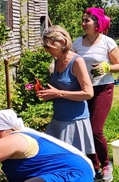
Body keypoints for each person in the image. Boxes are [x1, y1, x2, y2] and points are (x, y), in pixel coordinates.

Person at [71, 7, 119, 182]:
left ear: (97, 24)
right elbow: (70, 61)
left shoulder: (108, 42)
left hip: (102, 88)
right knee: (84, 130)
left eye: (87, 20)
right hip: (83, 90)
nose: (83, 23)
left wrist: (107, 67)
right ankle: (93, 167)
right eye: (83, 20)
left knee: (95, 129)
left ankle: (106, 164)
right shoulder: (77, 43)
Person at [38, 26, 95, 157]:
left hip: (74, 120)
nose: (46, 51)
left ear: (62, 42)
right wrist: (48, 94)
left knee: (70, 159)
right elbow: (59, 89)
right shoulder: (56, 61)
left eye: (49, 47)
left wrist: (58, 94)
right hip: (58, 119)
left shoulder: (77, 61)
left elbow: (88, 93)